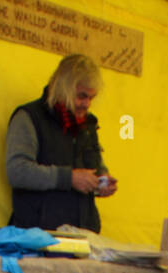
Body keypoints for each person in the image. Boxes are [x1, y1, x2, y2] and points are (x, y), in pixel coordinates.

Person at [6, 54, 116, 234]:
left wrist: (101, 182)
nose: (87, 104)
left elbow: (95, 166)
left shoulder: (87, 124)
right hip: (38, 236)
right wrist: (69, 178)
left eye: (91, 98)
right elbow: (17, 171)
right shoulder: (28, 117)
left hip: (82, 235)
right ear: (63, 87)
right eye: (82, 96)